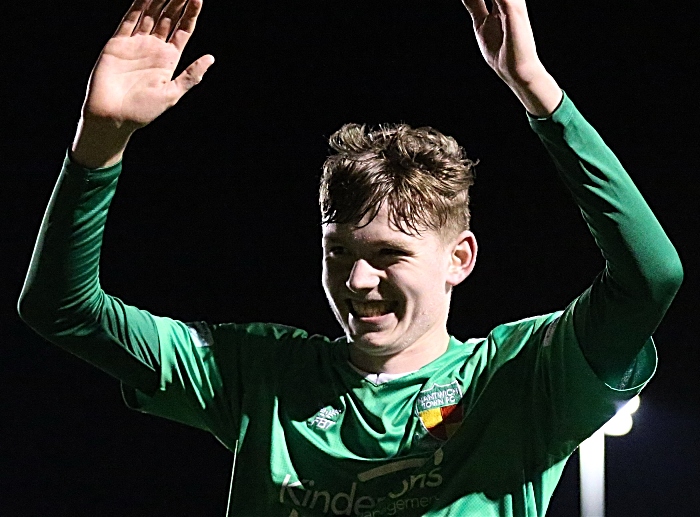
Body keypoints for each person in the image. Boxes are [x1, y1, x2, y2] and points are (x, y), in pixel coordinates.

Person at [18, 0, 683, 515]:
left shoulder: (519, 380)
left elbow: (651, 278)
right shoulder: (263, 376)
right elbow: (62, 309)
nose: (358, 281)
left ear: (460, 257)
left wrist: (536, 89)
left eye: (388, 255)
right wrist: (99, 143)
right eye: (340, 252)